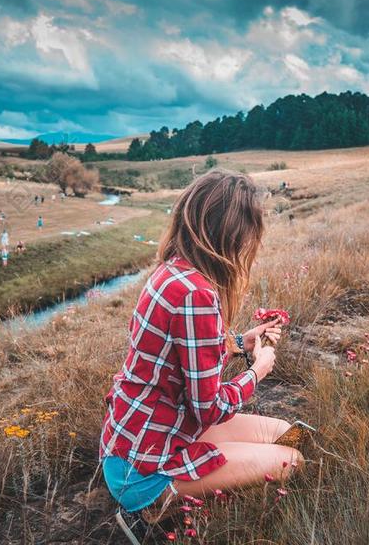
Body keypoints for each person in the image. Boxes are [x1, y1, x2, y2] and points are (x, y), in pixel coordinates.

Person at [99, 171, 296, 540]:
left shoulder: (172, 272)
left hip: (141, 442)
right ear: (231, 232)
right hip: (146, 469)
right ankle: (153, 512)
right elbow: (208, 409)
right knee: (292, 460)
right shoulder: (197, 294)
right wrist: (258, 370)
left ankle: (182, 494)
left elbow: (183, 357)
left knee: (286, 434)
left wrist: (240, 342)